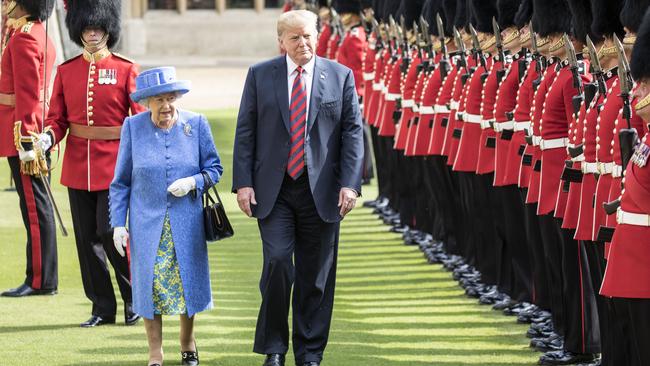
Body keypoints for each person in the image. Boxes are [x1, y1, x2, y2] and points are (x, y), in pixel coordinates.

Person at [232, 9, 364, 366]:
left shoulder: (340, 76)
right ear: (281, 41)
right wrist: (243, 183)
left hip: (321, 191)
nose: (302, 43)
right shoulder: (260, 75)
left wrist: (351, 185)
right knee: (277, 264)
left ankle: (310, 353)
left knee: (316, 276)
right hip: (274, 190)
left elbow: (353, 133)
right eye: (294, 38)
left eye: (307, 36)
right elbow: (246, 130)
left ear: (317, 36)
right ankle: (275, 348)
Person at [37, 0, 144, 328]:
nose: (92, 32)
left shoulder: (126, 69)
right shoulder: (67, 71)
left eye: (97, 27)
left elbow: (138, 121)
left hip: (114, 168)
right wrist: (47, 137)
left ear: (107, 29)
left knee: (111, 233)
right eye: (86, 27)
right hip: (77, 166)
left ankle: (133, 299)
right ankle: (102, 307)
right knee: (87, 241)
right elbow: (58, 119)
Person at [109, 67, 223, 366]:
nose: (166, 106)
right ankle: (155, 352)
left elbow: (214, 169)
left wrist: (193, 182)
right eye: (159, 99)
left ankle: (187, 343)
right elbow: (120, 182)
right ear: (147, 102)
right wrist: (118, 224)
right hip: (147, 225)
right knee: (150, 287)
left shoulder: (196, 124)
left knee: (188, 284)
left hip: (187, 223)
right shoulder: (133, 127)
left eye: (171, 98)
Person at [0, 0, 58, 297]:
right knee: (36, 206)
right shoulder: (35, 33)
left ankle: (39, 280)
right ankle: (41, 276)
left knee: (34, 210)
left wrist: (26, 139)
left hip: (23, 135)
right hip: (30, 132)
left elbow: (27, 94)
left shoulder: (23, 38)